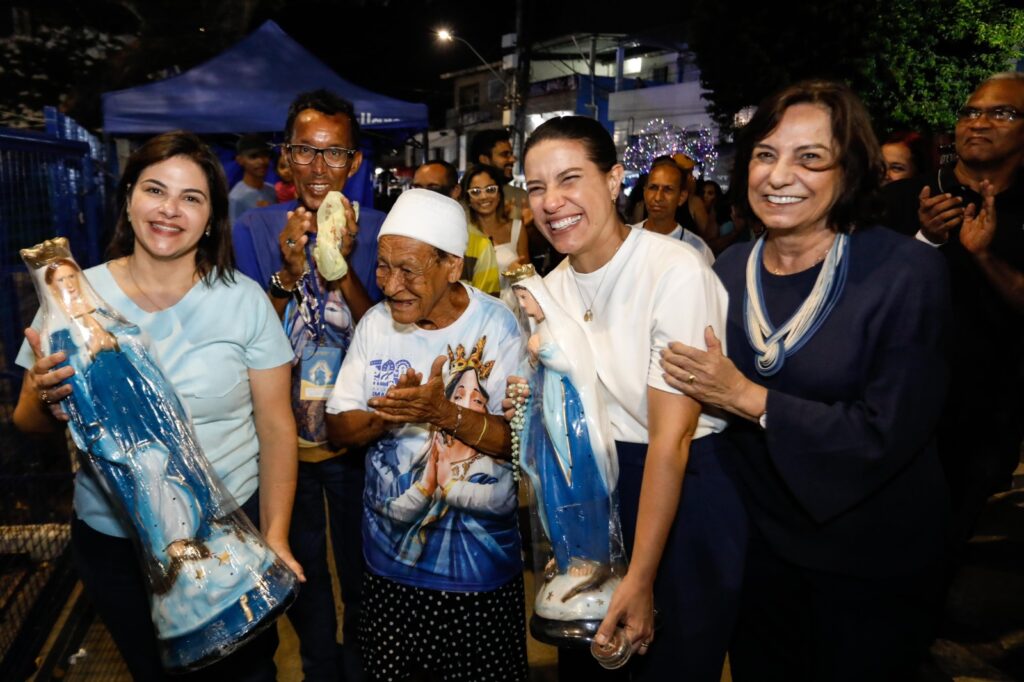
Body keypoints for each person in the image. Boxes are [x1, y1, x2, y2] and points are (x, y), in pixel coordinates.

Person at [662, 80, 952, 681]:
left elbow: (888, 432)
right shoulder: (727, 267)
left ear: (850, 172)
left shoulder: (908, 272)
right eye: (765, 155)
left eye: (809, 157)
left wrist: (747, 396)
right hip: (756, 555)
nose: (777, 175)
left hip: (867, 558)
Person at [13, 131, 302, 681]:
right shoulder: (73, 295)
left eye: (191, 197)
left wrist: (277, 535)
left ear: (213, 215)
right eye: (155, 190)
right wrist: (39, 394)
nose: (170, 210)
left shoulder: (244, 301)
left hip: (225, 538)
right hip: (113, 543)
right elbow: (27, 422)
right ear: (128, 199)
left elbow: (276, 428)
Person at [518, 116, 744, 682]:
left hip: (678, 492)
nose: (552, 202)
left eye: (570, 179)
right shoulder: (551, 289)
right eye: (537, 186)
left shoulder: (673, 271)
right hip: (592, 497)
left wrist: (641, 578)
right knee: (592, 667)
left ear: (616, 179)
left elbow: (673, 440)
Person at [325, 188, 528, 682]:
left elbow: (517, 445)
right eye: (382, 267)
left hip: (478, 577)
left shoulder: (497, 326)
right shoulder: (375, 325)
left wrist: (443, 412)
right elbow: (338, 425)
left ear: (451, 267)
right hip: (390, 571)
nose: (391, 286)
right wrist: (389, 417)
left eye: (408, 271)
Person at [233, 89, 377, 680]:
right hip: (282, 441)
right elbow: (243, 333)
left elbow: (386, 334)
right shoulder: (254, 226)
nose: (320, 169)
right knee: (302, 568)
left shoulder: (383, 229)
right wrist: (289, 274)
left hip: (357, 436)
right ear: (286, 158)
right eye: (305, 152)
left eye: (334, 154)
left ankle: (365, 662)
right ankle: (321, 665)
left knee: (366, 568)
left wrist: (341, 270)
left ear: (356, 162)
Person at [882, 72, 1024, 546]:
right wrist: (925, 241)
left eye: (1001, 113)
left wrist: (985, 257)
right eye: (970, 111)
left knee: (941, 545)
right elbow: (858, 293)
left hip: (984, 418)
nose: (979, 122)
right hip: (891, 405)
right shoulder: (900, 200)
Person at [412, 160, 500, 295]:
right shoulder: (402, 239)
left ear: (455, 191)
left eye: (433, 189)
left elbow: (488, 309)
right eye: (417, 188)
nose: (423, 195)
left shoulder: (478, 245)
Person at [461, 164, 529, 298]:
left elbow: (528, 277)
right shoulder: (465, 234)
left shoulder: (517, 228)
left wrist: (517, 273)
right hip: (479, 309)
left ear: (499, 194)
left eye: (490, 189)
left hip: (514, 308)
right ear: (468, 199)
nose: (484, 197)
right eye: (475, 192)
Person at [634, 159, 715, 266]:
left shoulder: (697, 249)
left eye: (668, 190)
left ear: (681, 197)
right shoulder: (626, 239)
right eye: (653, 188)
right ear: (645, 193)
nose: (658, 197)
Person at [229, 134, 277, 222]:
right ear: (240, 160)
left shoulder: (271, 190)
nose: (261, 161)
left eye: (265, 155)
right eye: (253, 157)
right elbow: (233, 233)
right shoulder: (235, 198)